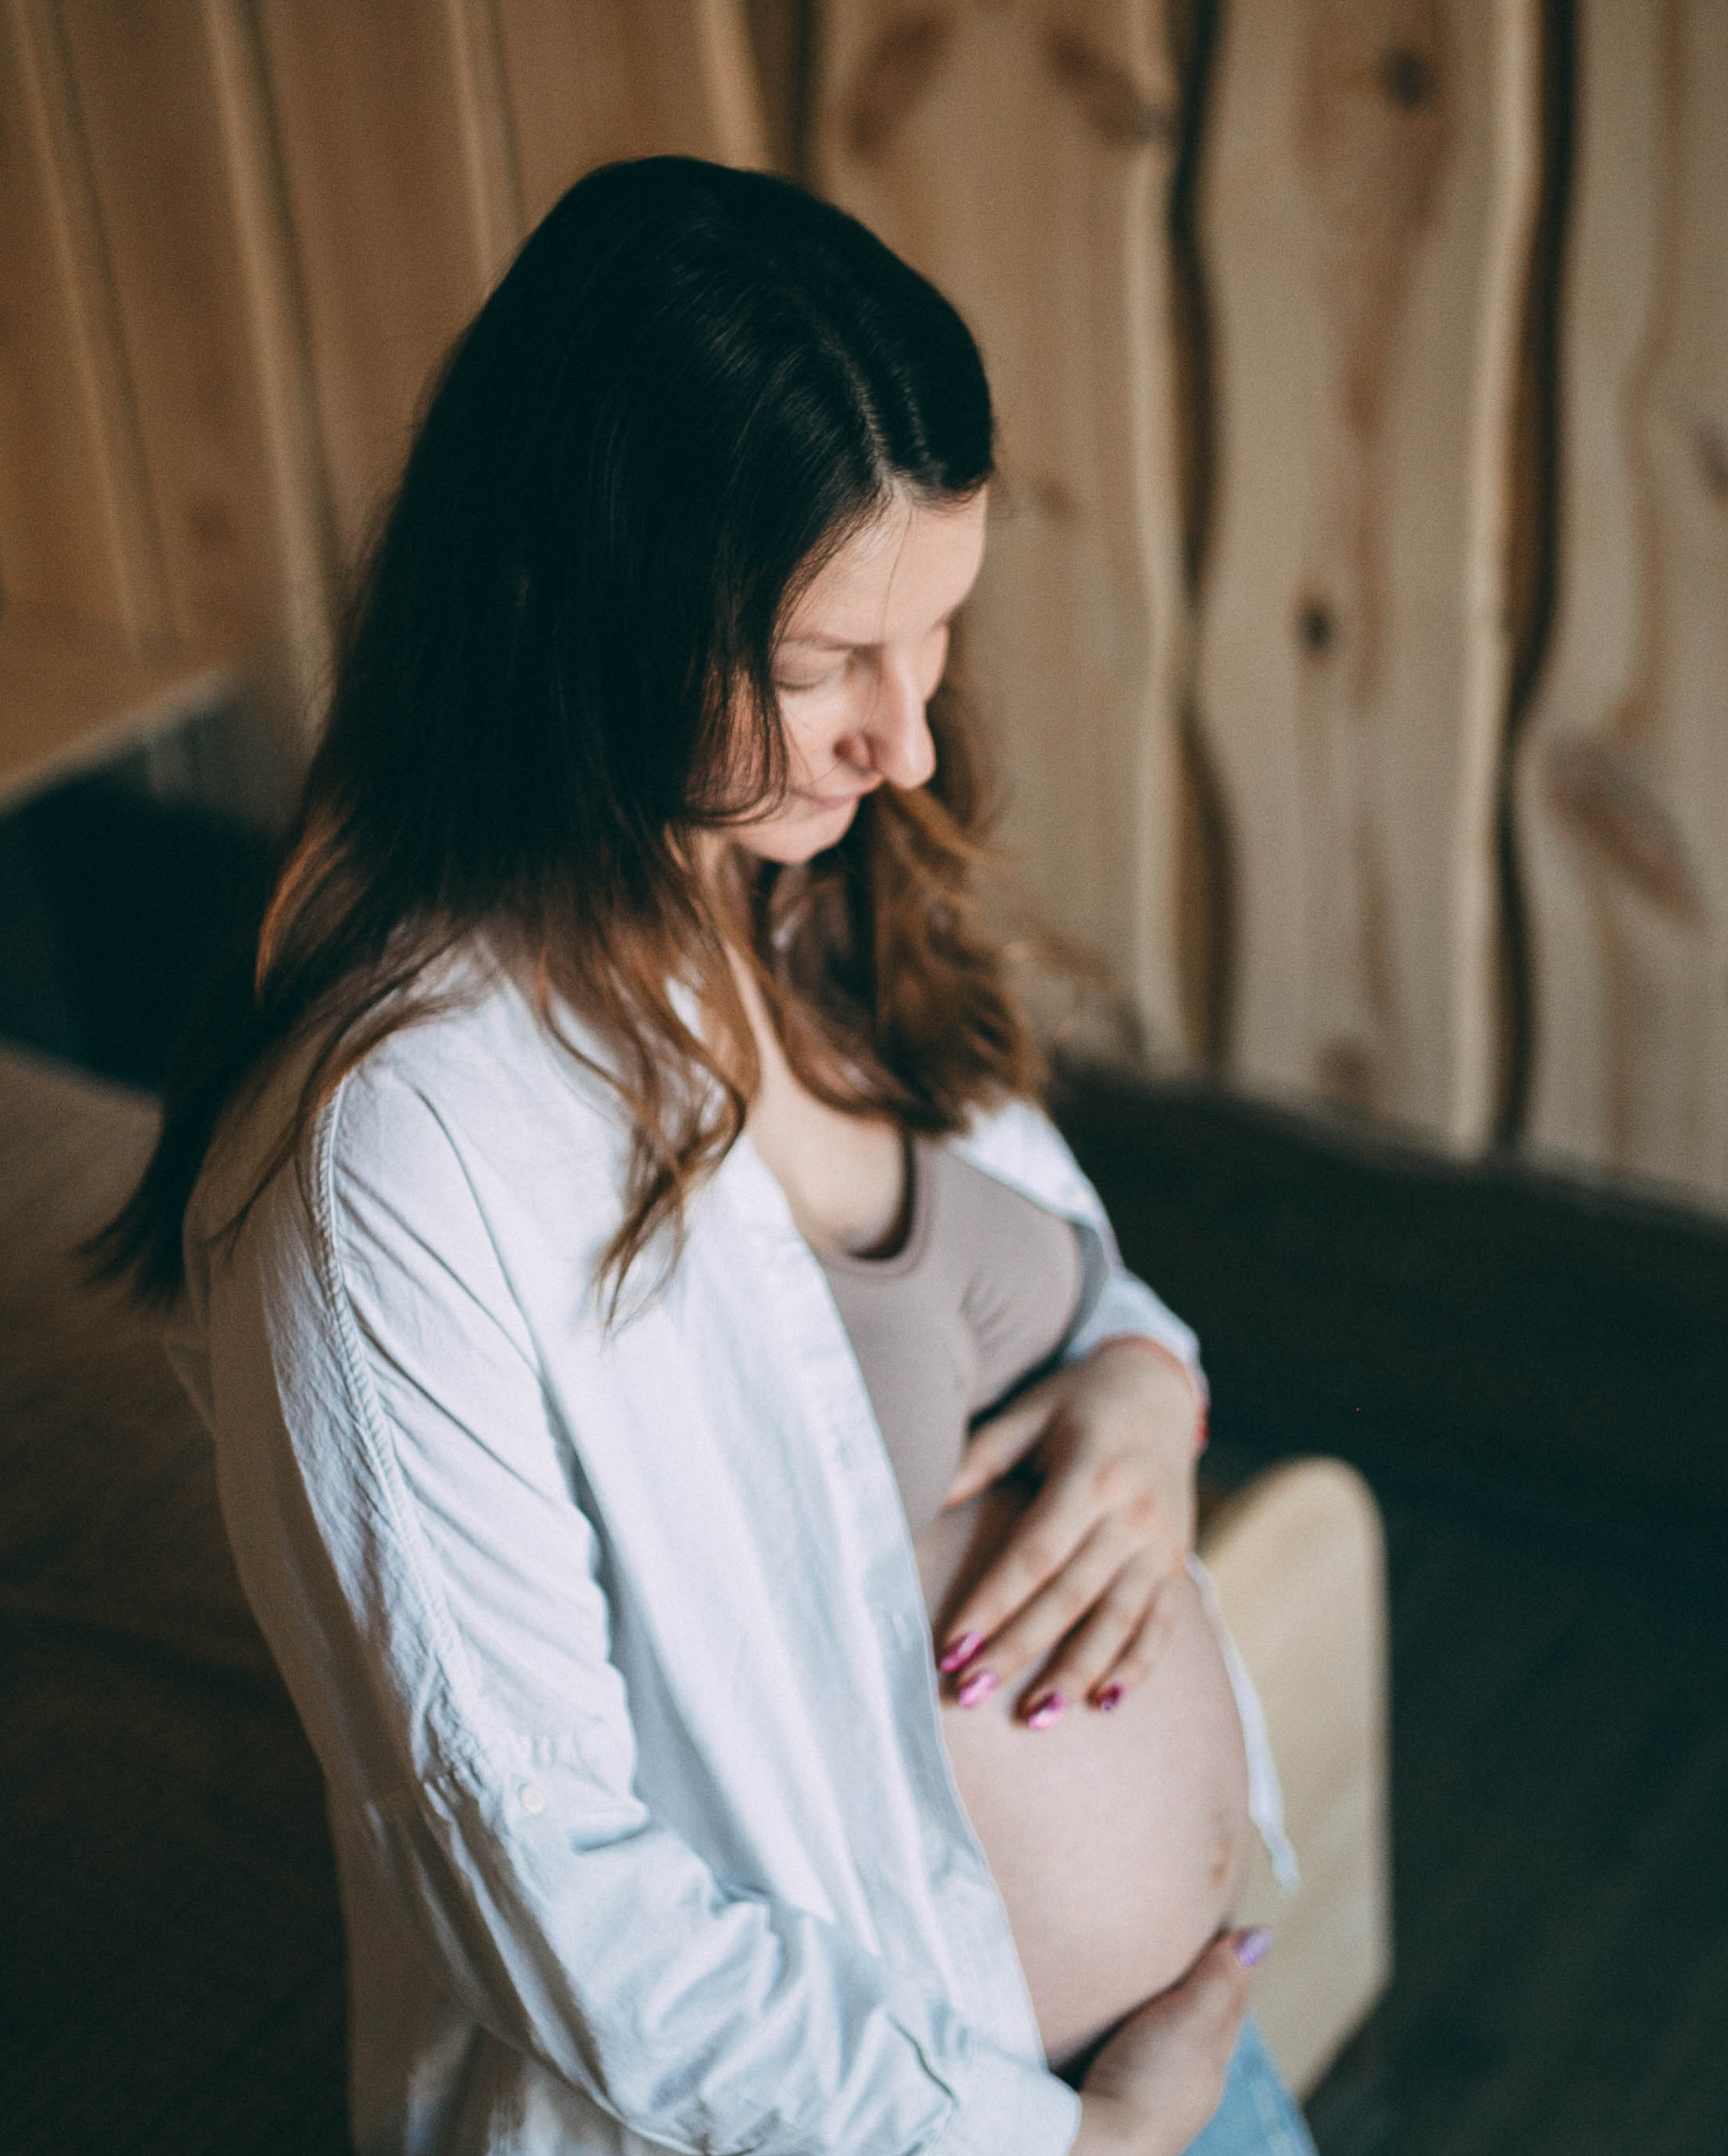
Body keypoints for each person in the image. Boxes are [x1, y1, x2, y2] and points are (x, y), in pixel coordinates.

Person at [101, 156, 1317, 2156]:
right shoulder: (392, 1154)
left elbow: (1049, 1260)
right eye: (825, 660)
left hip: (1185, 2061)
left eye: (936, 631)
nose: (905, 741)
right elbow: (539, 1874)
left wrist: (1139, 1385)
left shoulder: (796, 878)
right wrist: (1061, 2145)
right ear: (581, 609)